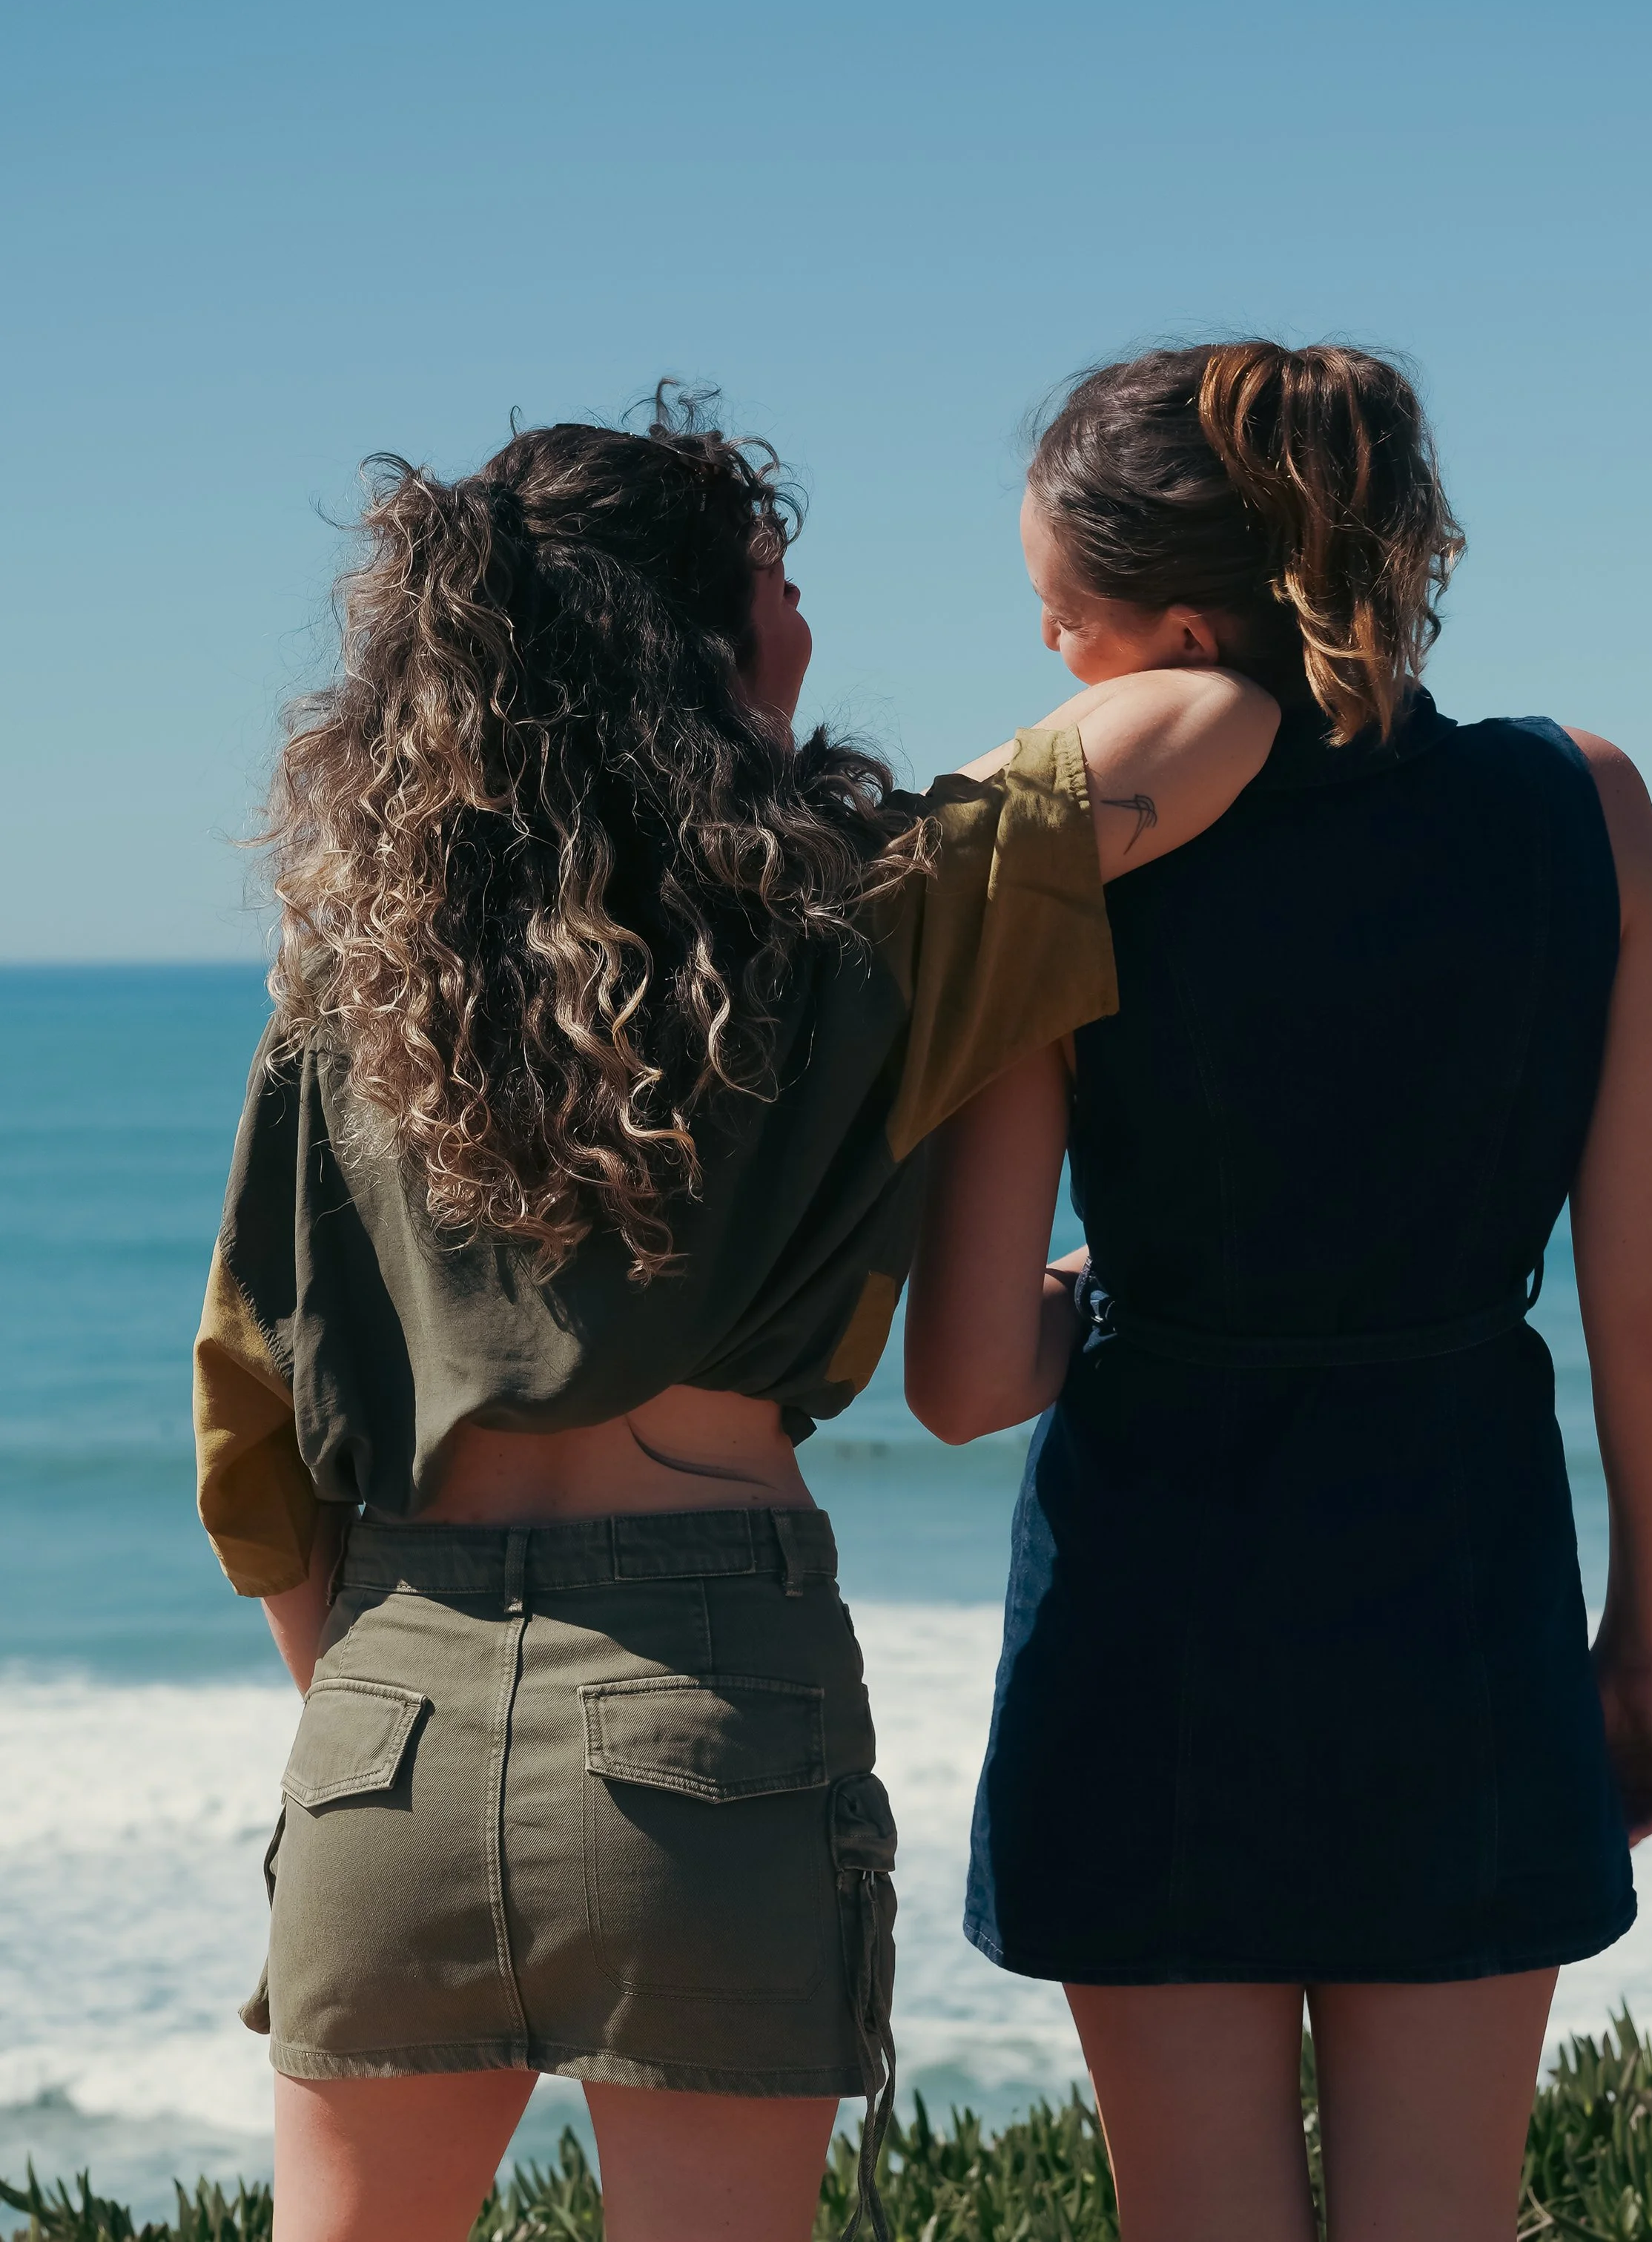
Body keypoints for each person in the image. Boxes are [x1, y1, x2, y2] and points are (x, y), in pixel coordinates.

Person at [192, 394, 1278, 2242]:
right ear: (686, 642)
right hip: (705, 1707)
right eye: (771, 587)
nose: (800, 624)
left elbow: (249, 1419)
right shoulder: (860, 921)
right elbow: (1213, 716)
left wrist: (377, 1697)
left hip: (386, 1708)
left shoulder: (349, 999)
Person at [905, 342, 1652, 2242]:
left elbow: (957, 1381)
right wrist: (1640, 1640)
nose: (1047, 661)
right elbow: (1643, 1326)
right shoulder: (1583, 808)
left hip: (1153, 1606)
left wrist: (1117, 1285)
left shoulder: (1057, 872)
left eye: (1059, 621)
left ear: (1177, 630)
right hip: (1460, 1590)